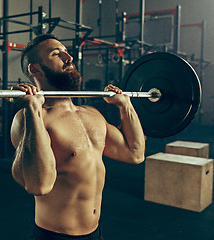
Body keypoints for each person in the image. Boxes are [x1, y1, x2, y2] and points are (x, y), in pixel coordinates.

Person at [10, 34, 145, 239]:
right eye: (56, 54)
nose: (68, 57)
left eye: (66, 51)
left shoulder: (91, 114)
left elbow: (135, 153)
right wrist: (32, 110)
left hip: (95, 233)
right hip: (55, 236)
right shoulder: (32, 119)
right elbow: (39, 185)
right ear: (35, 69)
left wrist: (126, 105)